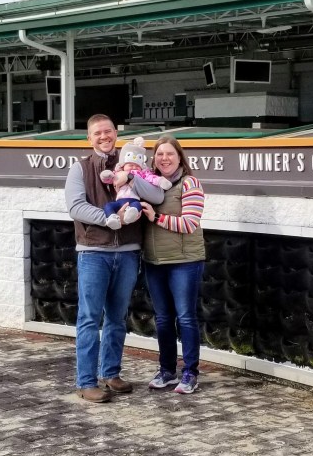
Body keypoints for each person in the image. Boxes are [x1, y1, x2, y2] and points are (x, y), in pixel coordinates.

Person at [64, 115, 166, 403]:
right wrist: (110, 218)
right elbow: (75, 207)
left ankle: (111, 373)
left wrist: (133, 177)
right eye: (97, 133)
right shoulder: (80, 168)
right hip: (93, 252)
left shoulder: (134, 164)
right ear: (89, 138)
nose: (103, 136)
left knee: (117, 318)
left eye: (108, 131)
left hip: (128, 252)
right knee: (89, 318)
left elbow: (157, 196)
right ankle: (86, 382)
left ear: (115, 133)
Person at [140, 134, 206, 395]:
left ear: (179, 157)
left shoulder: (190, 183)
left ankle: (190, 373)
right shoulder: (148, 184)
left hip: (184, 262)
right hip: (154, 261)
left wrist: (156, 217)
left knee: (186, 317)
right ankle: (167, 370)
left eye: (170, 153)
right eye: (159, 154)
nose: (164, 158)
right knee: (163, 319)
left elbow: (190, 223)